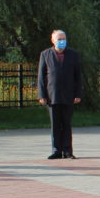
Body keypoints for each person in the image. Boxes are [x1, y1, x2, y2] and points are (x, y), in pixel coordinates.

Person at [37, 29, 83, 159]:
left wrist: (78, 94)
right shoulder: (45, 54)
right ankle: (56, 150)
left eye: (64, 39)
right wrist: (42, 95)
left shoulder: (73, 55)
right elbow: (41, 77)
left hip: (69, 95)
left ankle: (67, 151)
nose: (62, 41)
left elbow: (78, 76)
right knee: (55, 124)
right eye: (59, 39)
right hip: (52, 96)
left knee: (66, 124)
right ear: (53, 40)